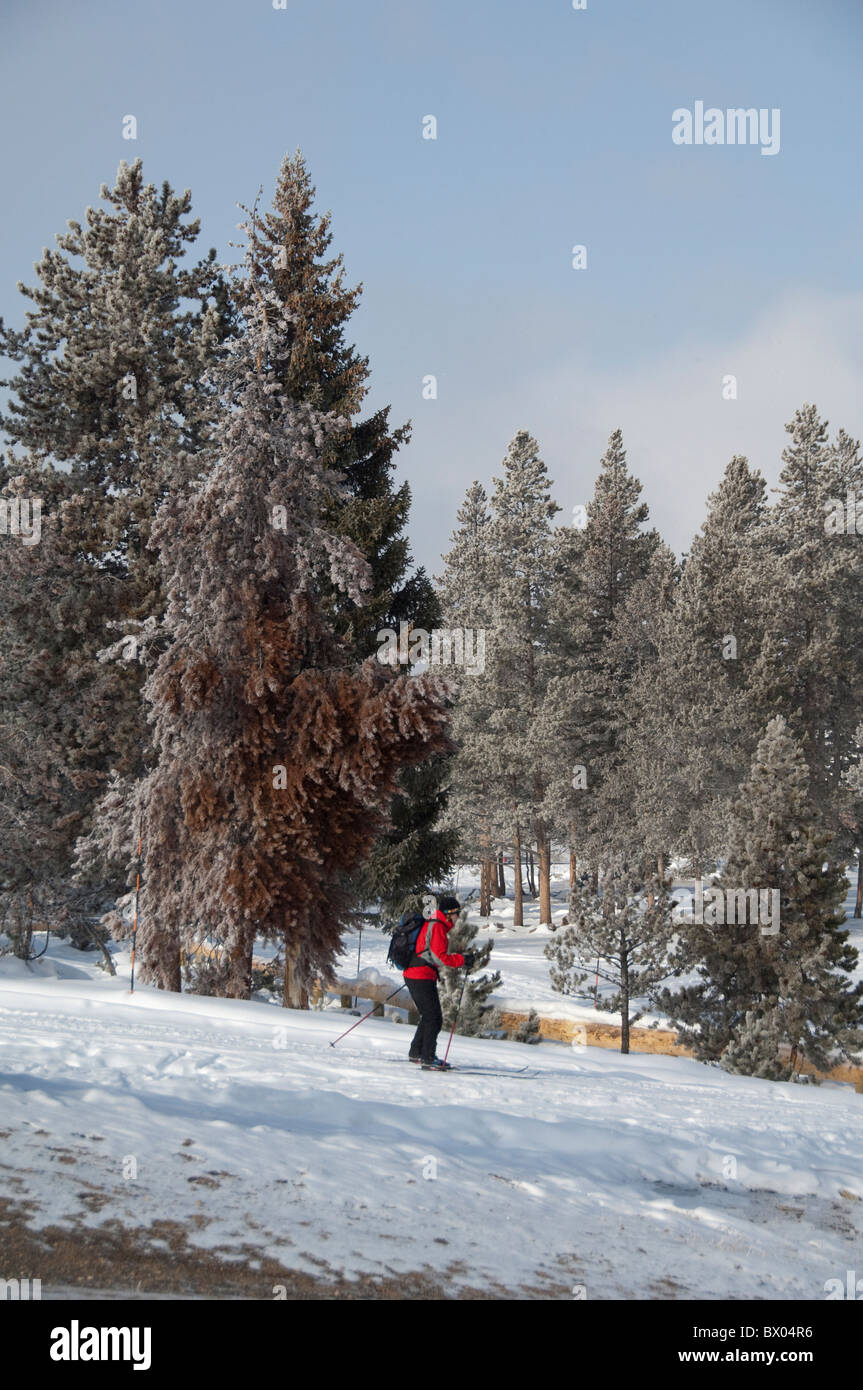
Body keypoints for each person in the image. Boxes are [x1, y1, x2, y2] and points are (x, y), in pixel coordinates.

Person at [404, 895, 476, 1070]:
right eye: (457, 913)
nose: (458, 918)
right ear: (449, 913)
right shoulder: (437, 926)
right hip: (420, 974)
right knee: (434, 1018)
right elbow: (439, 957)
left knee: (429, 1016)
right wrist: (462, 960)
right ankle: (428, 1057)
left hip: (418, 973)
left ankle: (417, 1052)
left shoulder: (436, 924)